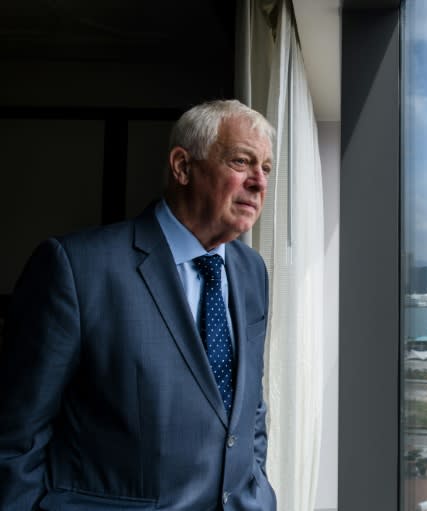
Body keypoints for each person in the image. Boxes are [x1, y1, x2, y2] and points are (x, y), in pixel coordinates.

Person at [0, 99, 277, 510]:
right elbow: (16, 435)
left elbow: (248, 407)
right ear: (182, 167)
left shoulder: (252, 270)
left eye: (266, 169)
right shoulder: (77, 267)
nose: (259, 182)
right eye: (242, 162)